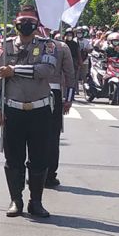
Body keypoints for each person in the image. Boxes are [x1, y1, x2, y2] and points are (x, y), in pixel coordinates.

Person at [0, 5, 57, 218]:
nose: (26, 25)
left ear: (37, 24)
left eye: (31, 21)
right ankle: (15, 200)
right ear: (16, 24)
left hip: (40, 110)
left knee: (39, 158)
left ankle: (35, 202)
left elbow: (45, 71)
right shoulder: (4, 47)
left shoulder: (48, 46)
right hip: (13, 110)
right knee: (13, 158)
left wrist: (15, 71)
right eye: (23, 22)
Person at [45, 29, 76, 188]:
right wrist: (68, 99)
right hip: (50, 93)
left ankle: (44, 174)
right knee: (50, 136)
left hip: (46, 93)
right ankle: (47, 174)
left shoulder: (61, 47)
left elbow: (70, 75)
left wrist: (69, 98)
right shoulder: (61, 47)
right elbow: (70, 75)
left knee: (42, 135)